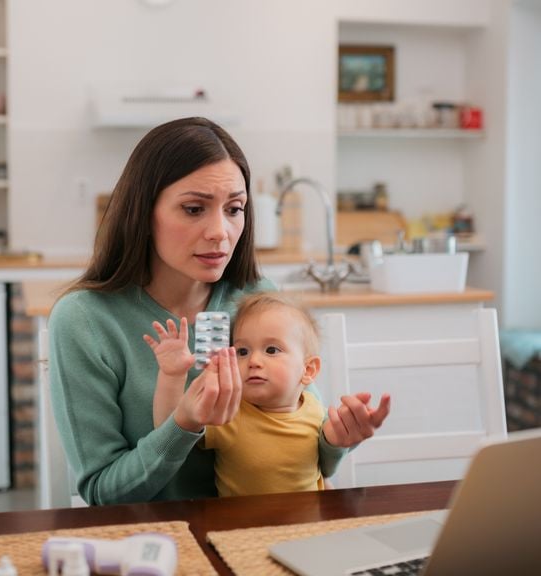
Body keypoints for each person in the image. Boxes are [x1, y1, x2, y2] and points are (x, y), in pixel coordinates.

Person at [48, 117, 389, 505]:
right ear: (142, 212)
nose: (220, 232)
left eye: (234, 209)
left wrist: (338, 439)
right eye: (194, 209)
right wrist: (183, 424)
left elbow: (307, 445)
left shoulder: (257, 297)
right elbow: (103, 493)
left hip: (262, 533)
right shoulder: (85, 320)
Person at [148, 292, 391, 496]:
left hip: (309, 527)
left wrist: (348, 428)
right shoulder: (231, 412)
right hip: (245, 532)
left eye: (271, 350)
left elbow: (321, 468)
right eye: (242, 351)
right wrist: (173, 375)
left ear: (308, 370)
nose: (253, 360)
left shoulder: (314, 408)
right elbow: (169, 428)